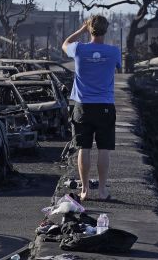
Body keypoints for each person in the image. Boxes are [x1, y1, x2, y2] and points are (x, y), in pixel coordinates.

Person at [62, 15, 121, 201]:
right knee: (104, 149)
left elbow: (65, 44)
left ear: (90, 29)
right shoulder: (113, 51)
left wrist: (81, 30)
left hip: (82, 106)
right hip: (105, 105)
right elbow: (119, 68)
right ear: (106, 30)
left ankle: (85, 190)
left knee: (83, 148)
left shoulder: (79, 49)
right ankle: (102, 190)